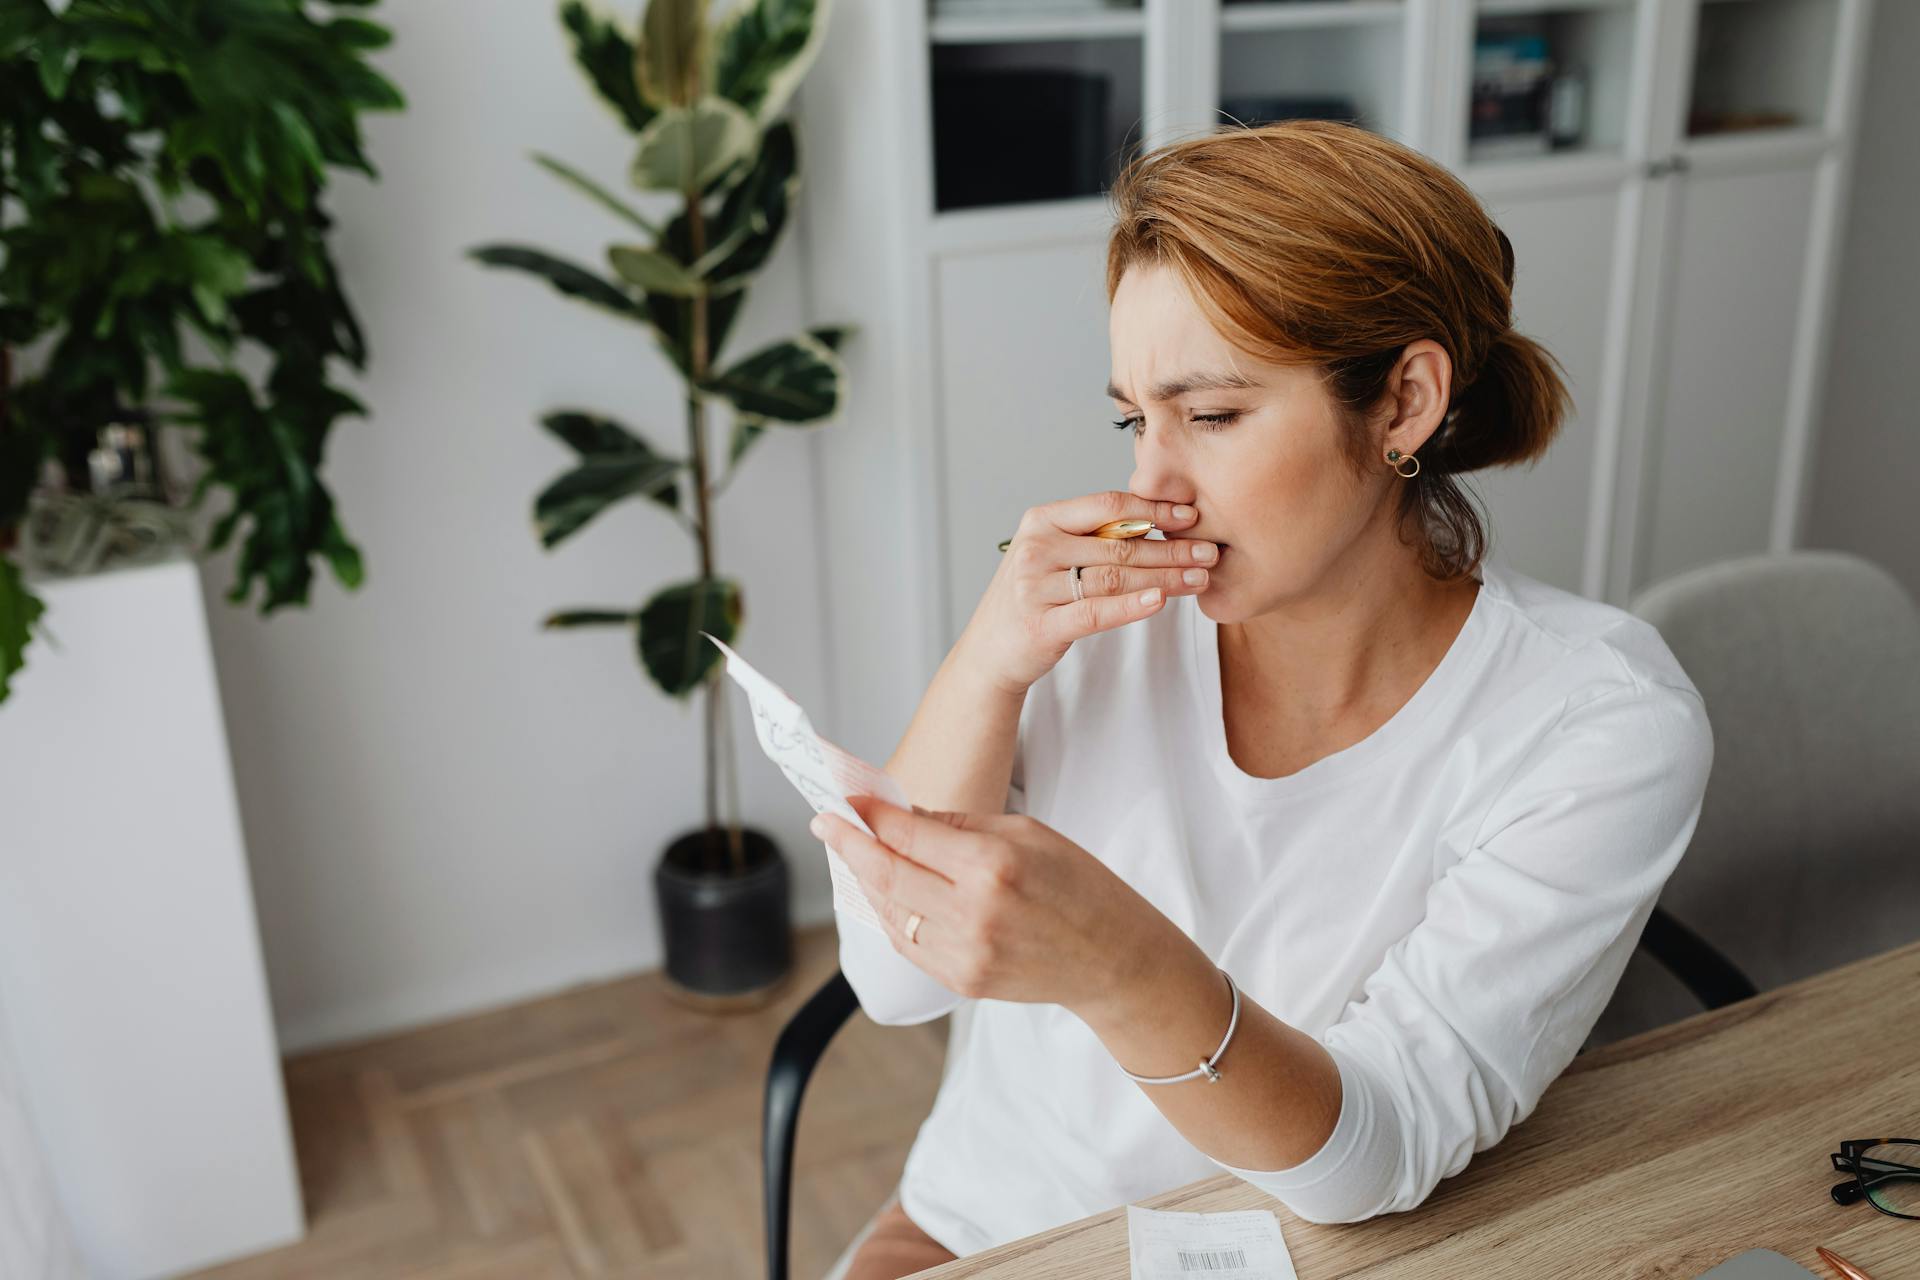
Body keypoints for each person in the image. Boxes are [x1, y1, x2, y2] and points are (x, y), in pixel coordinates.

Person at [811, 119, 1714, 1279]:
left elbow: (1372, 1156)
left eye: (1215, 415)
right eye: (1137, 418)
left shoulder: (1597, 723)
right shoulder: (1094, 626)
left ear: (1403, 404)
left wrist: (1124, 967)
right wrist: (986, 661)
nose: (1151, 490)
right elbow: (894, 980)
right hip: (984, 1232)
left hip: (1303, 1251)